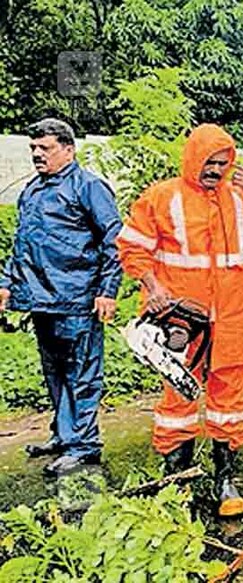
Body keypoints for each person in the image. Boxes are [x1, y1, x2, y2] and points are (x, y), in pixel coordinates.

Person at [118, 124, 243, 516]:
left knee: (229, 399)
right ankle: (175, 479)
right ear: (194, 158)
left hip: (233, 316)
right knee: (178, 394)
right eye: (210, 162)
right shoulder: (163, 197)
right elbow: (132, 247)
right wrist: (152, 285)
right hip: (180, 318)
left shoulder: (242, 200)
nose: (215, 169)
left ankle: (224, 478)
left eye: (223, 163)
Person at [0, 118, 122, 477]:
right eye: (33, 148)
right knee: (54, 371)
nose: (37, 154)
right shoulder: (32, 191)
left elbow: (114, 242)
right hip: (40, 298)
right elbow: (21, 244)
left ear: (68, 149)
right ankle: (64, 433)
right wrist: (6, 283)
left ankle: (84, 446)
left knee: (82, 372)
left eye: (45, 148)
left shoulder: (88, 187)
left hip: (78, 297)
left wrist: (107, 290)